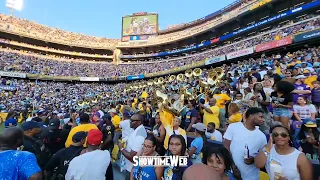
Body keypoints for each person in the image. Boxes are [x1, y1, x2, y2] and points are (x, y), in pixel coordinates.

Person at [223, 107, 267, 180]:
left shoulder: (262, 136)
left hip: (252, 176)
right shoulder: (233, 127)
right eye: (261, 117)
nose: (263, 120)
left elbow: (263, 157)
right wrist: (233, 166)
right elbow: (226, 147)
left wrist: (253, 159)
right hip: (231, 173)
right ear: (251, 116)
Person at [118, 113, 147, 180]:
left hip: (132, 169)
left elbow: (132, 157)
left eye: (132, 120)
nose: (130, 122)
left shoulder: (139, 136)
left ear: (139, 122)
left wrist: (121, 148)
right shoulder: (137, 130)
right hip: (130, 167)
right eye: (130, 120)